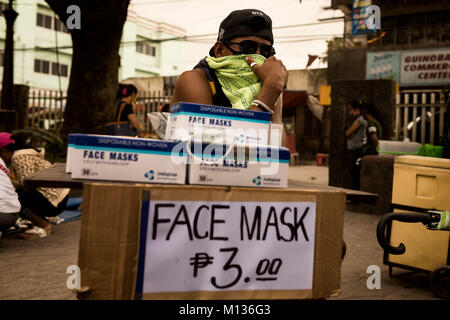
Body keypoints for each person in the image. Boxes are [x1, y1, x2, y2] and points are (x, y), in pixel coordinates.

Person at [169, 9, 288, 146]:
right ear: (219, 50)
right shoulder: (195, 81)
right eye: (248, 47)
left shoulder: (266, 84)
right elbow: (216, 153)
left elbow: (278, 155)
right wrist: (264, 101)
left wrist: (273, 96)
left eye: (266, 51)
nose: (258, 56)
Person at [9, 138, 70, 235]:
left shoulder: (20, 156)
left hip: (53, 202)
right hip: (58, 198)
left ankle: (43, 225)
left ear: (3, 150)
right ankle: (40, 221)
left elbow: (27, 184)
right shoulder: (27, 154)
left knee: (12, 197)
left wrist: (10, 184)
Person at [0, 133, 20, 237]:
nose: (13, 155)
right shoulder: (2, 164)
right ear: (3, 151)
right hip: (14, 213)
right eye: (11, 152)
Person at [345, 100, 367, 190]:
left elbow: (348, 133)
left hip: (355, 148)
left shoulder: (360, 120)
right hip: (357, 147)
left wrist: (349, 134)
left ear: (357, 109)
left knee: (354, 172)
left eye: (351, 110)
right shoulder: (362, 120)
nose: (350, 112)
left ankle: (355, 192)